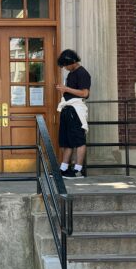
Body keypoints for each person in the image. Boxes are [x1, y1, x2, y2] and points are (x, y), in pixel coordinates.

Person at [55, 49, 91, 178]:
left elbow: (85, 93)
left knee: (78, 140)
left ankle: (78, 170)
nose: (65, 68)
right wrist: (65, 91)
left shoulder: (82, 73)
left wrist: (66, 89)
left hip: (76, 110)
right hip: (67, 109)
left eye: (65, 65)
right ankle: (63, 169)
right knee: (66, 140)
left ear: (72, 62)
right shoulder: (71, 74)